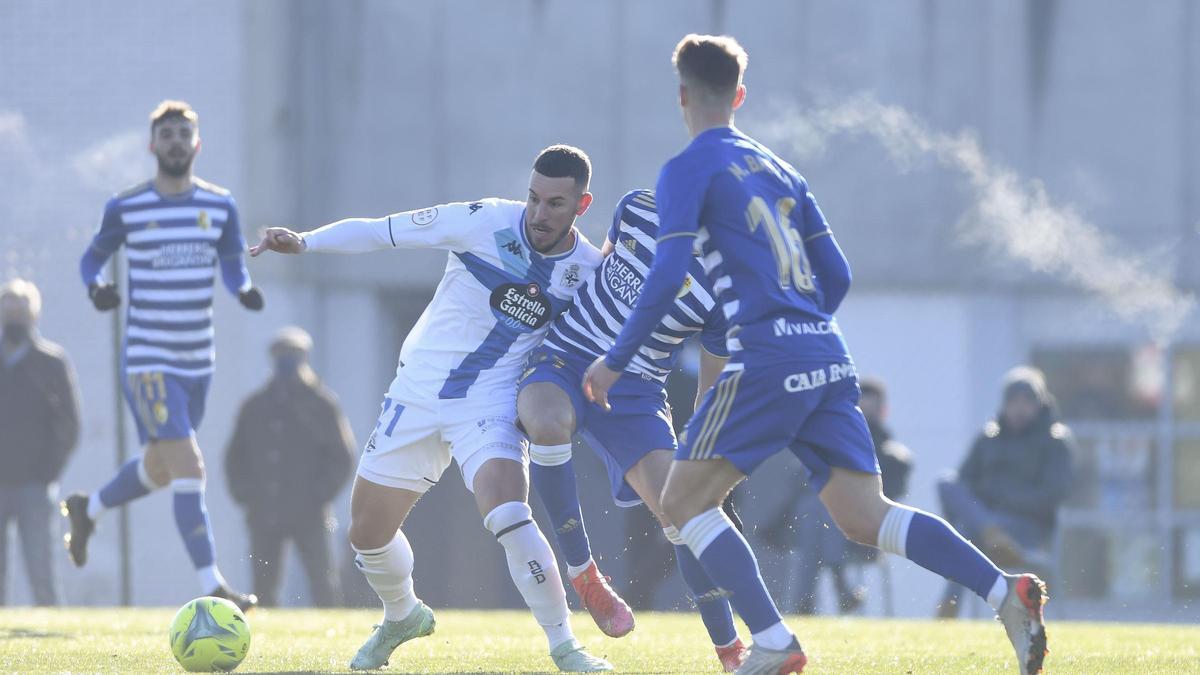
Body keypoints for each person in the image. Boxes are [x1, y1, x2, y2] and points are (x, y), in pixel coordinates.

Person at [583, 35, 1049, 675]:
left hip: (765, 360)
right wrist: (801, 333)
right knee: (867, 516)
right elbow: (837, 273)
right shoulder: (782, 172)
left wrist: (615, 359)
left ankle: (773, 641)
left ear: (683, 96)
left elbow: (666, 277)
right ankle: (1004, 591)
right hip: (828, 357)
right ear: (740, 96)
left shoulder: (686, 168)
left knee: (682, 503)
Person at [250, 145, 611, 672]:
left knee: (508, 510)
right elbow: (381, 231)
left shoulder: (589, 270)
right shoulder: (483, 220)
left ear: (582, 204)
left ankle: (565, 647)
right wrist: (306, 242)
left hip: (488, 404)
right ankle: (402, 614)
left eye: (556, 204)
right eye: (533, 198)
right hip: (416, 393)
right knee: (366, 534)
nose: (538, 214)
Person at [519, 189, 748, 671]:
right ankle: (584, 574)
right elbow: (599, 270)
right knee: (544, 420)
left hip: (637, 393)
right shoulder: (638, 207)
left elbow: (710, 388)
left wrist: (703, 458)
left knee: (683, 512)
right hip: (566, 356)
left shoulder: (727, 289)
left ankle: (731, 651)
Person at [63, 100, 264, 610]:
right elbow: (91, 259)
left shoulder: (220, 206)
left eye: (184, 133)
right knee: (189, 464)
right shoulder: (127, 206)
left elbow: (233, 263)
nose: (175, 141)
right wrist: (98, 288)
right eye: (166, 134)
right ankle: (213, 585)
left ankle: (90, 508)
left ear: (197, 144)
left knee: (161, 466)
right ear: (152, 145)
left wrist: (242, 289)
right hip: (148, 359)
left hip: (199, 358)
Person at [224, 327, 355, 607]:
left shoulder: (321, 405)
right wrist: (246, 494)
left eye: (293, 355)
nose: (287, 361)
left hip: (309, 509)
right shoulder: (256, 406)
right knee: (263, 583)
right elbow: (235, 457)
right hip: (264, 509)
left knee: (322, 580)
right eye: (283, 355)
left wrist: (320, 493)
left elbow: (342, 457)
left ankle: (332, 631)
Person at [937, 366, 1073, 618]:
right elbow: (963, 484)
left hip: (1028, 529)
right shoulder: (988, 439)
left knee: (966, 537)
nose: (1019, 409)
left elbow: (1054, 494)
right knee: (946, 483)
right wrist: (985, 512)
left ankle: (947, 612)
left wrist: (1002, 500)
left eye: (1027, 402)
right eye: (1013, 401)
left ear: (1040, 404)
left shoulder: (1054, 441)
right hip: (987, 524)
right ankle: (992, 534)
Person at [0, 279, 80, 606]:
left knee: (41, 567)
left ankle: (48, 631)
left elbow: (70, 424)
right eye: (9, 311)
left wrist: (49, 470)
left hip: (35, 484)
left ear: (34, 316)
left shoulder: (51, 361)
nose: (15, 318)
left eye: (21, 311)